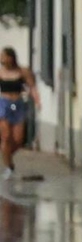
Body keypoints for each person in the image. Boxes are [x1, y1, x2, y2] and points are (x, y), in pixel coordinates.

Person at [0, 47, 38, 178]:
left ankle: (7, 154)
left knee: (18, 139)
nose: (2, 59)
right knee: (6, 136)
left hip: (17, 104)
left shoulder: (22, 71)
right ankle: (9, 166)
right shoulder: (1, 72)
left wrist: (37, 100)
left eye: (4, 56)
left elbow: (31, 86)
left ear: (11, 58)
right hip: (4, 103)